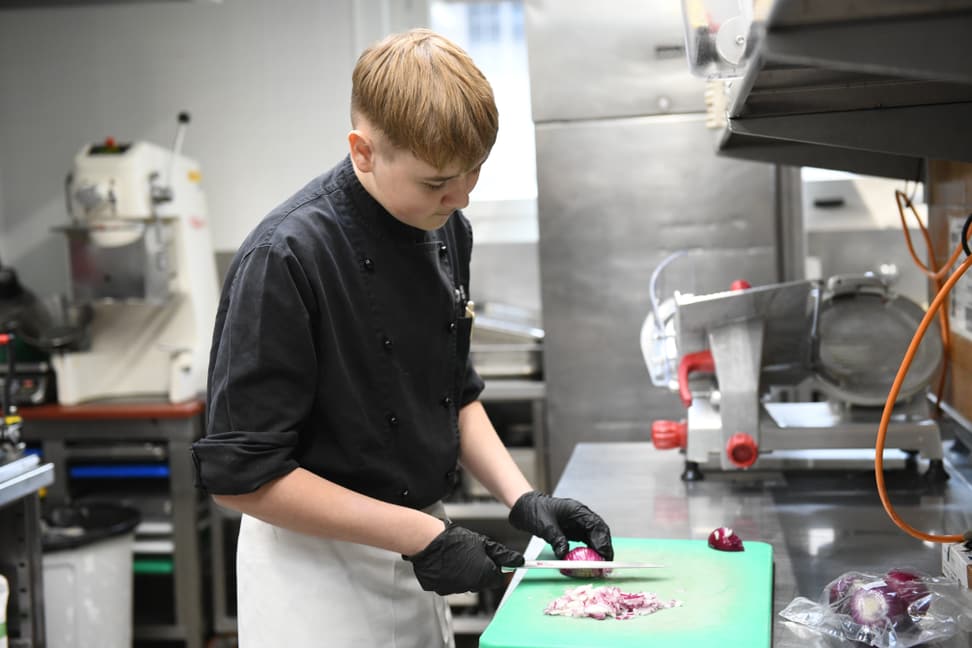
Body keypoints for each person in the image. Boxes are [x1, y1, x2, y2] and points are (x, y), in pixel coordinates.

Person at [191, 28, 613, 647]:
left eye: (475, 170)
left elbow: (453, 393)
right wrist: (425, 537)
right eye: (437, 179)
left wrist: (522, 498)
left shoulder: (446, 227)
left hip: (418, 550)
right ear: (363, 151)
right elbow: (243, 478)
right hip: (314, 577)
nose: (463, 194)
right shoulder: (284, 257)